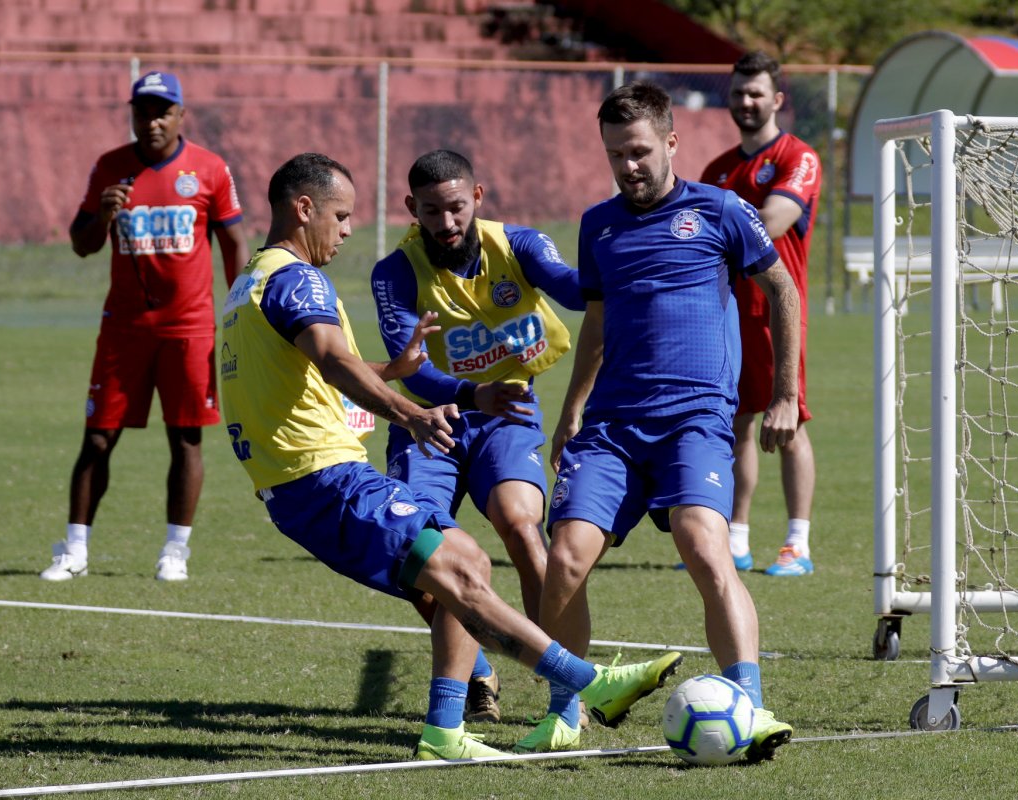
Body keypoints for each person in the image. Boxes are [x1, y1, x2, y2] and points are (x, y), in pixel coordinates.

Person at [219, 151, 682, 760]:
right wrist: (410, 410)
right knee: (460, 567)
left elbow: (318, 372)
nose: (349, 228)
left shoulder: (249, 282)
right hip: (325, 476)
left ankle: (450, 729)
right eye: (341, 214)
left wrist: (394, 372)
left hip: (303, 482)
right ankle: (587, 683)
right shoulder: (300, 278)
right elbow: (334, 363)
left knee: (462, 561)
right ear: (303, 209)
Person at [527, 81, 797, 759]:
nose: (629, 166)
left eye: (641, 151)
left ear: (671, 142)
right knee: (564, 557)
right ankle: (569, 707)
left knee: (704, 544)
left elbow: (782, 289)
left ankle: (751, 708)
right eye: (616, 154)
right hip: (614, 424)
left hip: (695, 419)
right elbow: (596, 321)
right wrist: (572, 409)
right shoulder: (598, 225)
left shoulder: (723, 211)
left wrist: (787, 394)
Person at [370, 149, 584, 726]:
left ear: (479, 198)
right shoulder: (394, 272)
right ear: (410, 208)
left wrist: (624, 263)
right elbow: (408, 366)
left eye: (457, 208)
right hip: (430, 422)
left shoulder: (522, 245)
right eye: (432, 211)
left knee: (521, 525)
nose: (446, 223)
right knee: (419, 556)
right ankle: (478, 669)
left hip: (505, 415)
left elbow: (572, 286)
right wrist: (469, 393)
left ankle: (563, 692)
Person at [40, 71, 251, 582]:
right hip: (125, 329)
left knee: (186, 440)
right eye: (142, 111)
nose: (151, 121)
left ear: (181, 115)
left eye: (162, 111)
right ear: (131, 114)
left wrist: (240, 307)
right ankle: (74, 550)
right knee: (97, 439)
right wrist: (103, 216)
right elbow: (81, 243)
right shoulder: (111, 167)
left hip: (190, 328)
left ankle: (175, 551)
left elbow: (234, 244)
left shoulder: (209, 169)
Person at [699, 51, 821, 577]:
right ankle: (737, 538)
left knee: (788, 420)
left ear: (776, 99)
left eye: (756, 93)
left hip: (776, 311)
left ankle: (798, 543)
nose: (746, 102)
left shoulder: (799, 156)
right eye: (738, 93)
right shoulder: (716, 169)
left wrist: (711, 231)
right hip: (724, 315)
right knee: (734, 425)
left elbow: (774, 218)